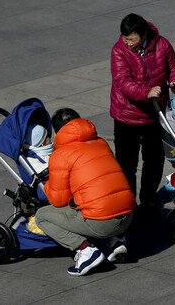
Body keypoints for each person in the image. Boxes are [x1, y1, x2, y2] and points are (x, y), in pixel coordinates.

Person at [35, 108, 135, 276]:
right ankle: (117, 239)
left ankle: (86, 251)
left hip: (103, 223)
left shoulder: (60, 154)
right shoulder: (101, 142)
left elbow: (58, 201)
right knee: (103, 196)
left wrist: (46, 183)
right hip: (128, 216)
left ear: (58, 131)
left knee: (42, 216)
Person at [110, 13, 175, 213]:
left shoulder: (162, 45)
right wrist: (146, 92)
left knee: (154, 160)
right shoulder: (119, 51)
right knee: (127, 164)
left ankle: (149, 199)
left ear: (144, 34)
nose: (128, 43)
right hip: (127, 116)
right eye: (125, 38)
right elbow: (123, 81)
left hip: (155, 114)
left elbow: (174, 65)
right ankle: (128, 203)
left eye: (132, 39)